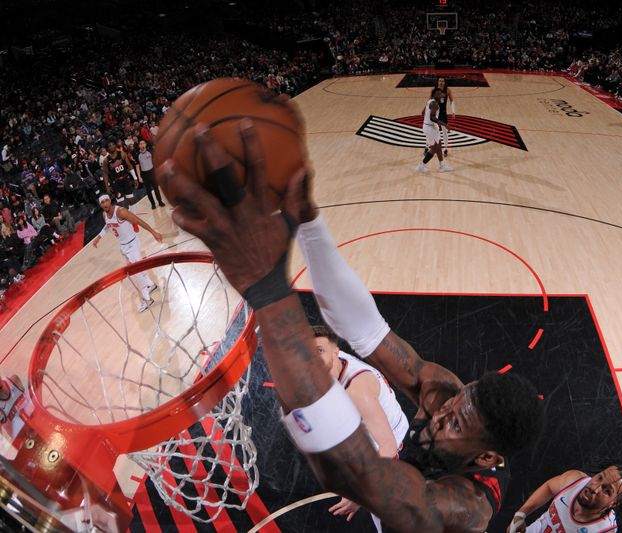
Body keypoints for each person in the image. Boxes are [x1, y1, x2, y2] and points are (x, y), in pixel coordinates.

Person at [162, 119, 543, 533]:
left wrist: (267, 290)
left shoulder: (462, 506)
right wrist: (308, 221)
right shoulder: (446, 395)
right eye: (452, 406)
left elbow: (354, 476)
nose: (439, 415)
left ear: (486, 458)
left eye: (453, 423)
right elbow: (367, 331)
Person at [312, 325, 409, 523]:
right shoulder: (331, 361)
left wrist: (360, 496)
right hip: (375, 427)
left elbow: (388, 447)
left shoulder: (356, 391)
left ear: (335, 351)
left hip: (392, 448)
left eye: (319, 351)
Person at [506, 465, 622, 533]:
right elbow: (549, 488)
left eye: (607, 491)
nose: (595, 488)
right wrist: (521, 514)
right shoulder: (574, 480)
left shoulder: (604, 530)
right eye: (599, 478)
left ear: (614, 503)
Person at [92, 194, 162, 312]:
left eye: (106, 201)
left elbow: (138, 221)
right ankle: (150, 284)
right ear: (100, 205)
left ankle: (146, 299)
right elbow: (108, 226)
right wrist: (99, 236)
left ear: (110, 201)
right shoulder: (104, 214)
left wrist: (154, 232)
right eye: (102, 202)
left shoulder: (121, 212)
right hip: (124, 246)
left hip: (132, 244)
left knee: (136, 273)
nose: (105, 204)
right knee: (137, 270)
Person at [417, 89, 454, 174]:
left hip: (430, 127)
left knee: (439, 145)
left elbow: (423, 113)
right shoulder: (434, 104)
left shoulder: (430, 101)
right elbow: (432, 118)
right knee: (434, 148)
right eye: (440, 93)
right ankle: (421, 165)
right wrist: (445, 125)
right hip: (430, 128)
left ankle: (442, 166)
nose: (441, 95)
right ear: (436, 94)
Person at [102, 141, 136, 208]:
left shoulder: (122, 154)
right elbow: (105, 174)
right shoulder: (106, 160)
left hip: (125, 179)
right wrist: (107, 187)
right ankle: (126, 217)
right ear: (108, 148)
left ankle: (133, 215)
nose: (111, 146)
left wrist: (135, 178)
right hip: (116, 183)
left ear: (115, 146)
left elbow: (129, 165)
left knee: (131, 201)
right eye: (109, 145)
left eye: (113, 144)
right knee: (121, 204)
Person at [135, 140, 166, 210]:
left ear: (145, 144)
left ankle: (160, 201)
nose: (142, 144)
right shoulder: (137, 155)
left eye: (143, 143)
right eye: (140, 143)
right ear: (139, 146)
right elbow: (137, 167)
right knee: (148, 191)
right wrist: (139, 177)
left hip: (152, 172)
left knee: (156, 188)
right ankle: (153, 204)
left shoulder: (150, 151)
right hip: (144, 174)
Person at [431, 78, 455, 157]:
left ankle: (445, 148)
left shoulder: (448, 90)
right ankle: (427, 146)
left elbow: (452, 101)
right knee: (432, 130)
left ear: (444, 82)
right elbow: (430, 101)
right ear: (437, 82)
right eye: (440, 81)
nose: (441, 82)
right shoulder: (434, 89)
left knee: (444, 131)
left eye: (442, 81)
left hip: (443, 113)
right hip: (435, 112)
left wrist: (453, 111)